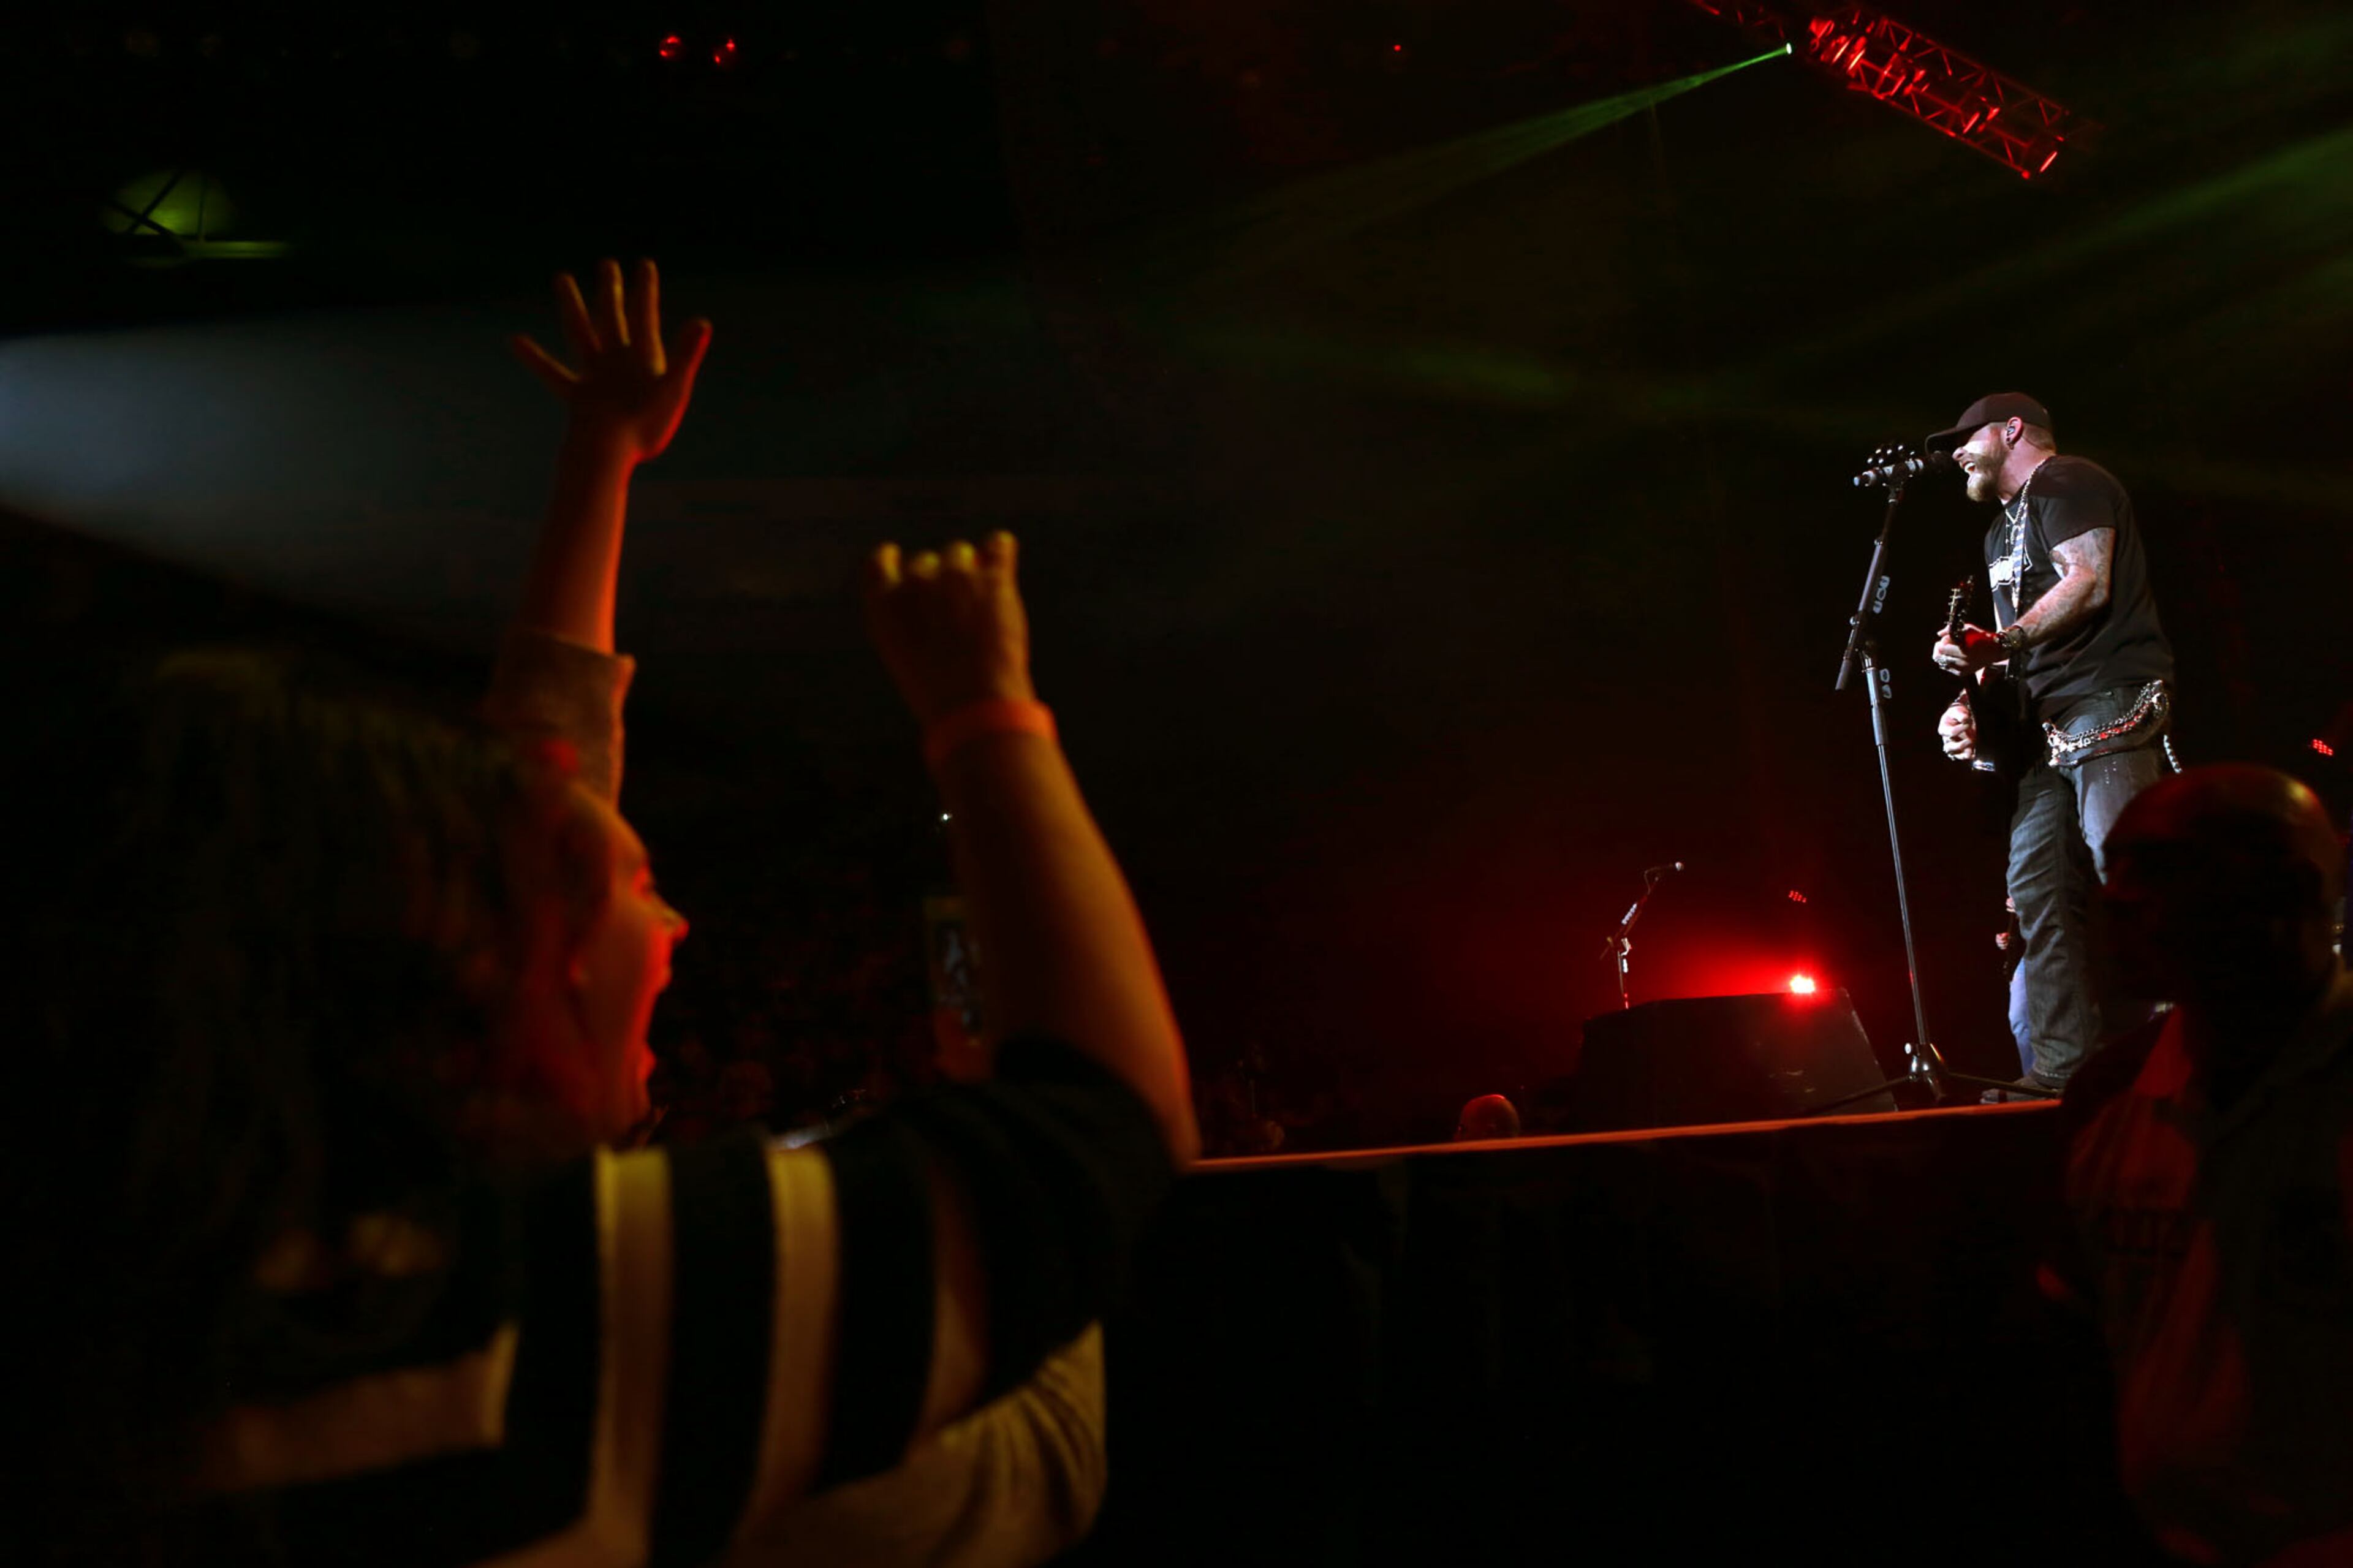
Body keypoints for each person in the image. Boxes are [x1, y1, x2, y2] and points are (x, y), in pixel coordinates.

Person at [10, 260, 1198, 1565]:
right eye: (630, 889)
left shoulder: (132, 1304)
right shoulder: (564, 1315)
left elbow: (541, 784)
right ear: (474, 969)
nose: (675, 921)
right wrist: (986, 713)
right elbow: (1102, 1145)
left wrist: (604, 455)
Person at [2044, 765, 2353, 1564]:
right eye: (2114, 868)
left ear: (2295, 889)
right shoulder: (2109, 1093)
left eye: (2162, 867)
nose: (2117, 897)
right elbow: (2074, 1350)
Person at [1928, 392, 2175, 1091]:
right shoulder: (1998, 533)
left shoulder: (2068, 481)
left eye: (1967, 438)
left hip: (2105, 697)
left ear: (2012, 431)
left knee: (2129, 869)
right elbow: (2016, 645)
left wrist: (1999, 641)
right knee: (2038, 891)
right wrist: (1968, 703)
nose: (1957, 453)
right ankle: (2064, 1070)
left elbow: (2088, 581)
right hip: (2041, 726)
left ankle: (2192, 1041)